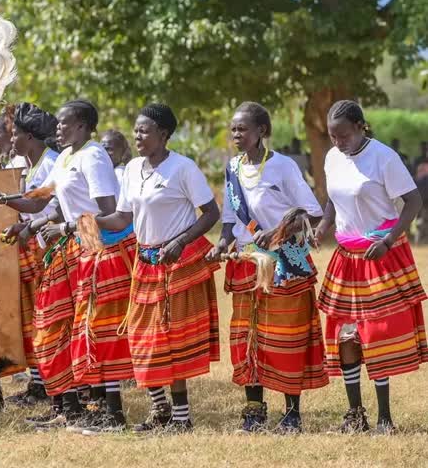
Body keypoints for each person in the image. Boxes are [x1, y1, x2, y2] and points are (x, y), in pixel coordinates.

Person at [0, 100, 133, 433]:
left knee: (93, 330)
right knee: (54, 327)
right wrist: (7, 200)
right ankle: (70, 408)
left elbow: (110, 215)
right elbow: (41, 200)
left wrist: (66, 227)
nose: (58, 128)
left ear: (82, 126)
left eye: (65, 123)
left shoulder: (93, 157)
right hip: (71, 251)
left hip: (95, 249)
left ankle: (108, 413)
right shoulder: (67, 156)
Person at [97, 103, 220, 434]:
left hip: (176, 262)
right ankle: (159, 408)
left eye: (145, 130)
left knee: (173, 338)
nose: (138, 135)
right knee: (141, 336)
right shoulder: (134, 168)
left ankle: (181, 418)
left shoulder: (183, 168)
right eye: (136, 129)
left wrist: (180, 242)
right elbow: (123, 218)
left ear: (164, 134)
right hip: (145, 262)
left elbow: (210, 213)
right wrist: (83, 222)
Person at [207, 102, 328, 434]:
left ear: (261, 131)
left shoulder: (283, 166)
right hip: (248, 264)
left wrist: (278, 231)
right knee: (249, 337)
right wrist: (220, 244)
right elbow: (231, 219)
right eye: (233, 129)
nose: (235, 134)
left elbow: (312, 213)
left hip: (284, 264)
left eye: (242, 129)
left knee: (286, 338)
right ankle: (254, 411)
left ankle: (292, 414)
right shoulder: (232, 167)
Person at [315, 100, 426, 434]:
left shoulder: (383, 157)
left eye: (344, 135)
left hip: (380, 253)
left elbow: (414, 201)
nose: (338, 142)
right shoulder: (333, 157)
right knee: (346, 336)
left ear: (361, 126)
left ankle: (385, 419)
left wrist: (390, 240)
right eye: (333, 136)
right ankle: (356, 415)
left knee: (375, 336)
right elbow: (334, 197)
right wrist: (324, 224)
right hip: (347, 257)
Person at [0, 103, 60, 407]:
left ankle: (57, 387)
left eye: (16, 134)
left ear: (31, 137)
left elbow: (37, 204)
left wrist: (3, 201)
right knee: (33, 319)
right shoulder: (31, 164)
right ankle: (39, 384)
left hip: (52, 249)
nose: (11, 140)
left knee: (49, 319)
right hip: (32, 248)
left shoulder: (51, 163)